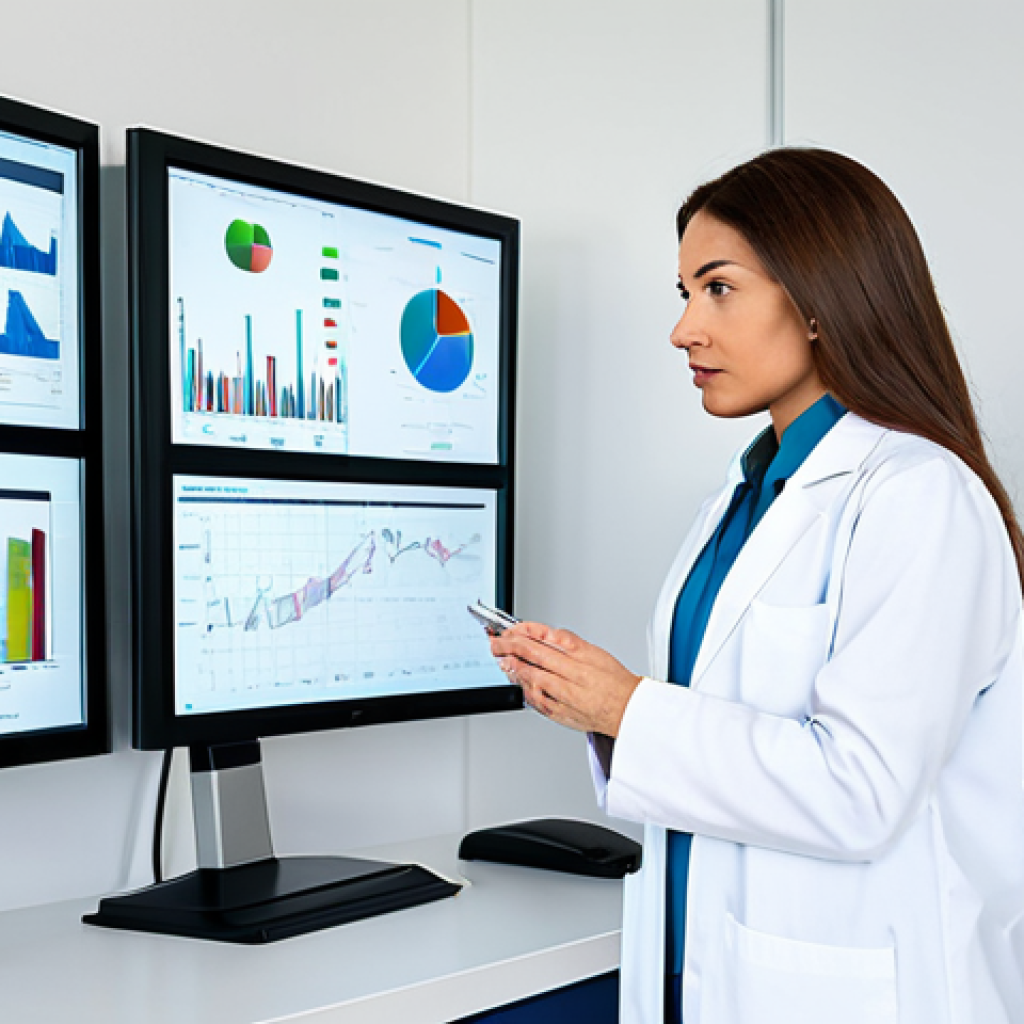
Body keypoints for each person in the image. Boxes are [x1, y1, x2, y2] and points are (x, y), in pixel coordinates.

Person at [489, 148, 1024, 1024]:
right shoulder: (743, 501)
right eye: (684, 294)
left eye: (719, 288)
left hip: (871, 990)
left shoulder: (919, 495)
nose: (684, 329)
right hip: (712, 969)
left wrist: (628, 708)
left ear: (819, 300)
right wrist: (599, 707)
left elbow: (862, 791)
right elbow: (715, 742)